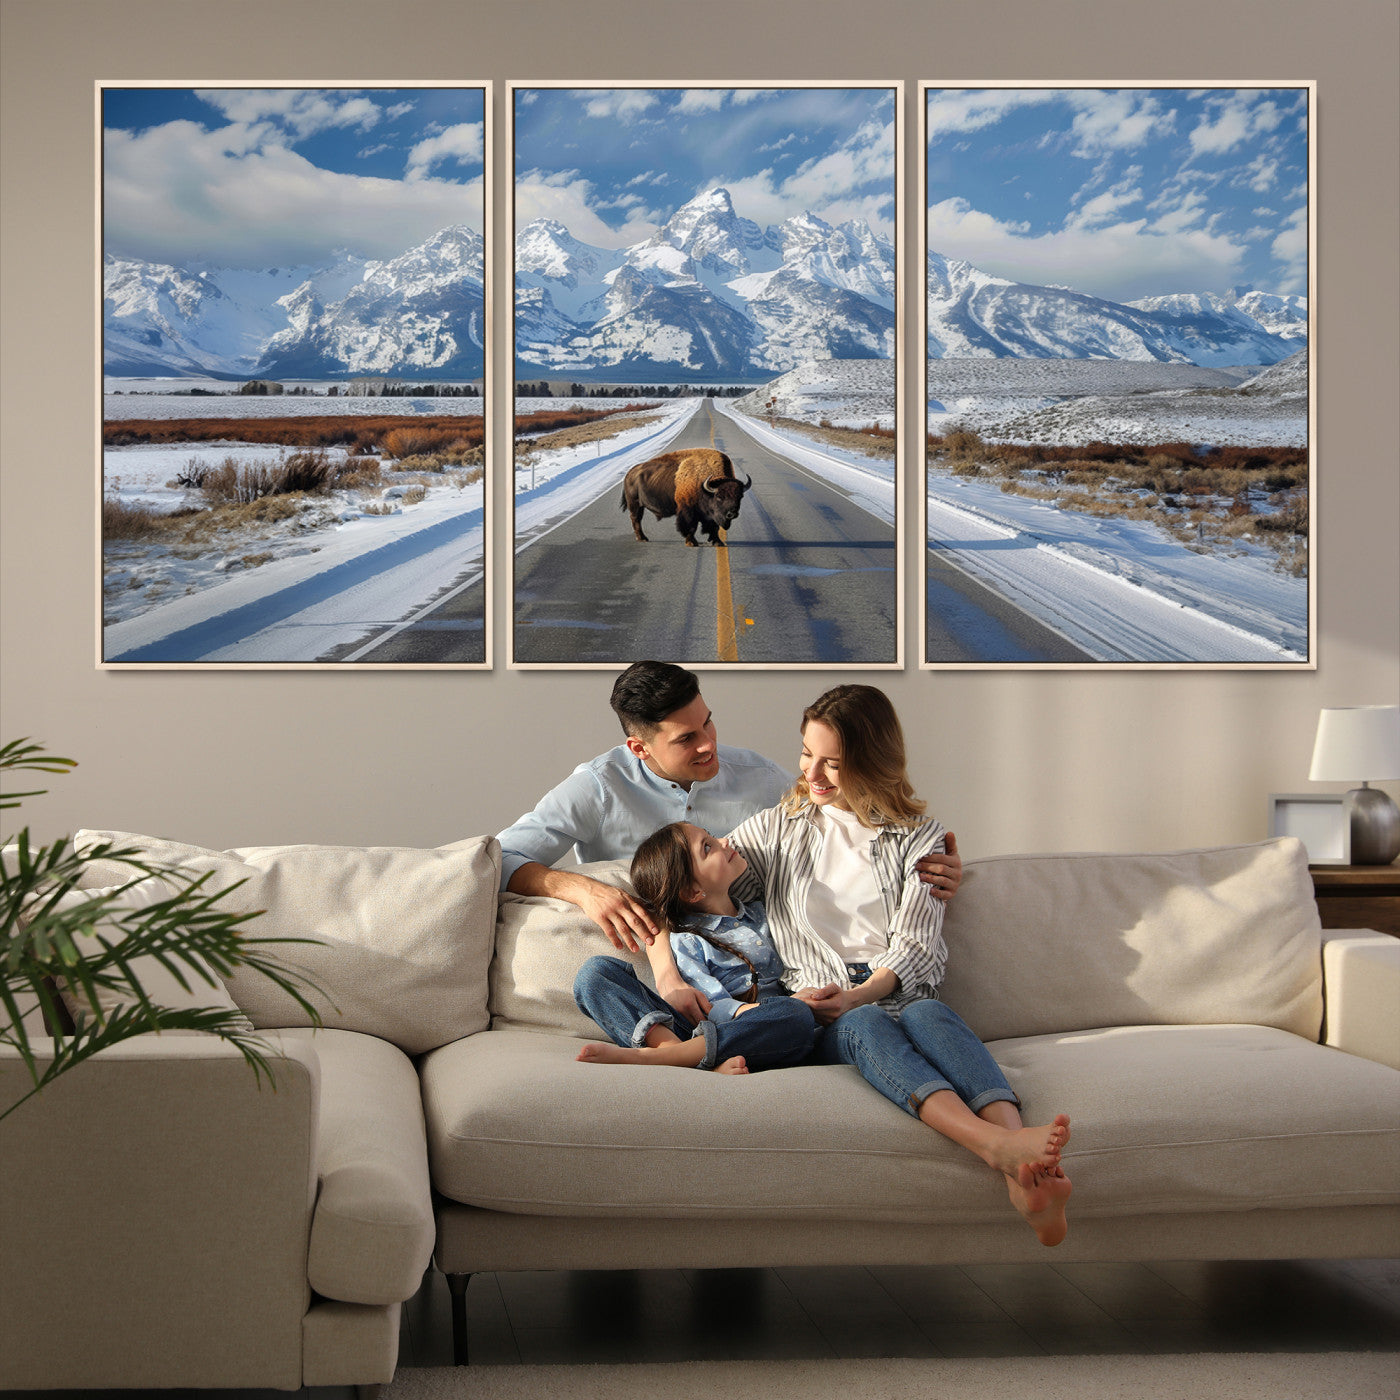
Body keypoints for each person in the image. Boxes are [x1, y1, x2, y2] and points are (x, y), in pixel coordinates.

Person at [714, 684, 1071, 1245]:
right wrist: (661, 949)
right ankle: (994, 1146)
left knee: (929, 1016)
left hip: (897, 990)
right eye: (808, 754)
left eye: (835, 762)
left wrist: (862, 991)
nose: (816, 776)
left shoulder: (920, 838)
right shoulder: (774, 830)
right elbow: (690, 881)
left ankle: (1027, 1171)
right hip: (825, 1008)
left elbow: (918, 944)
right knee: (866, 1023)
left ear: (874, 762)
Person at [496, 661, 964, 1022]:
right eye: (686, 739)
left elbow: (849, 823)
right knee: (598, 978)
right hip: (662, 962)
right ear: (639, 748)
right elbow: (495, 860)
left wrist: (927, 867)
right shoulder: (596, 788)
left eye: (708, 724)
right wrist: (583, 888)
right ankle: (679, 1047)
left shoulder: (761, 780)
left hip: (760, 981)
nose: (708, 745)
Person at [571, 822, 817, 1074]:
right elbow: (712, 1008)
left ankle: (680, 1059)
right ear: (693, 891)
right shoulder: (689, 939)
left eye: (711, 837)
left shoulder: (765, 913)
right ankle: (676, 1052)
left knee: (795, 1015)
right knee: (595, 973)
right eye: (708, 847)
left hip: (763, 1037)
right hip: (706, 1029)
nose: (725, 841)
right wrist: (764, 1009)